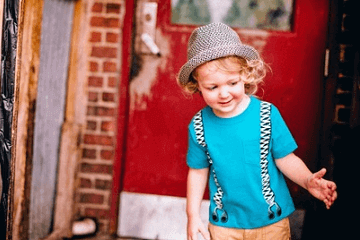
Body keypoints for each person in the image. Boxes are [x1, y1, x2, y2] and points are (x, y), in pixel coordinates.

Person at [176, 23, 337, 240]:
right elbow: (197, 172)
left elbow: (285, 158)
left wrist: (308, 181)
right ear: (197, 85)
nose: (224, 93)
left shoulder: (266, 115)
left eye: (232, 83)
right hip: (225, 224)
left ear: (245, 75)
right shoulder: (199, 126)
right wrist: (192, 215)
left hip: (271, 222)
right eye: (213, 87)